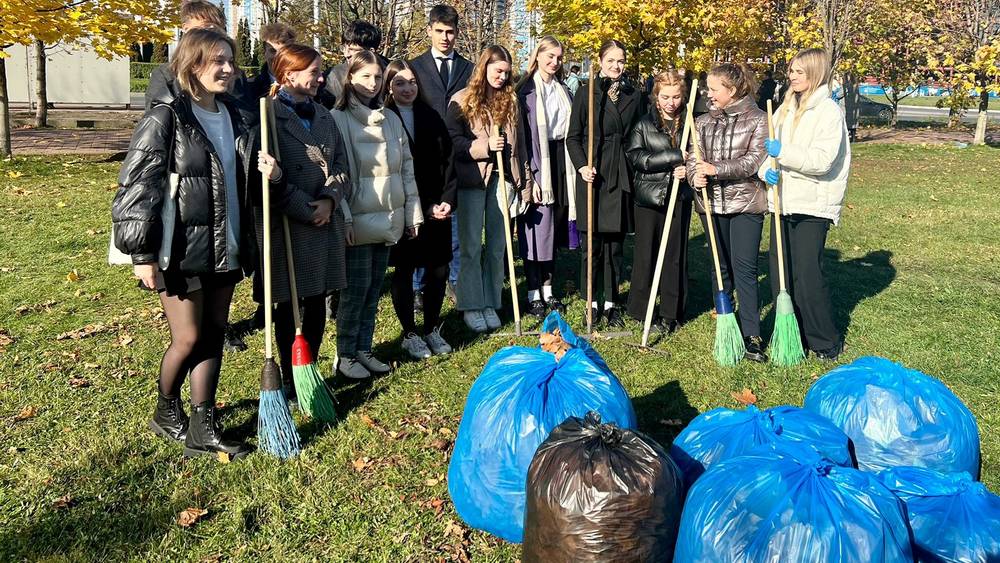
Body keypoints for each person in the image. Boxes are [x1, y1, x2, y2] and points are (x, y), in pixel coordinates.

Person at [113, 28, 253, 459]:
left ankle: (203, 423)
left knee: (213, 333)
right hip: (181, 248)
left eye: (230, 61)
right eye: (218, 61)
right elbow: (138, 187)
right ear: (192, 64)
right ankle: (165, 408)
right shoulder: (167, 116)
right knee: (188, 338)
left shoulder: (238, 117)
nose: (228, 69)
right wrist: (142, 253)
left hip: (225, 245)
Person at [252, 44, 350, 393]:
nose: (322, 78)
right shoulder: (268, 118)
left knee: (317, 302)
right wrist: (306, 207)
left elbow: (341, 166)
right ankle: (292, 377)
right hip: (289, 229)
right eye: (315, 72)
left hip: (324, 224)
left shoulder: (325, 115)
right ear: (289, 74)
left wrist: (329, 200)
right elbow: (270, 179)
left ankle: (310, 366)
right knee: (289, 305)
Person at [332, 51, 423, 379]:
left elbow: (406, 169)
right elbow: (334, 173)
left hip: (387, 217)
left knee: (372, 291)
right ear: (351, 78)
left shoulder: (391, 118)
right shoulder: (338, 119)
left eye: (377, 77)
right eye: (365, 76)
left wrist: (412, 212)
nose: (372, 83)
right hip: (357, 219)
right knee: (354, 292)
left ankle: (363, 349)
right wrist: (344, 216)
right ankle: (345, 354)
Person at [759, 48, 850, 361]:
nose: (792, 76)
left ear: (815, 73)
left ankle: (824, 340)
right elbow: (766, 153)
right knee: (780, 272)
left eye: (799, 71)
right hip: (782, 201)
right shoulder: (784, 108)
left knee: (807, 274)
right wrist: (765, 172)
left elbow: (822, 161)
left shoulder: (828, 112)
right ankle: (792, 334)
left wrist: (782, 152)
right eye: (791, 71)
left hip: (813, 204)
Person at [687, 62, 769, 363]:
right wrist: (695, 174)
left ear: (731, 90)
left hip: (746, 203)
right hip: (711, 205)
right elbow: (694, 157)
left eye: (713, 89)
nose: (708, 94)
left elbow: (752, 162)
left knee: (744, 268)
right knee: (719, 270)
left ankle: (752, 334)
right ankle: (727, 324)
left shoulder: (758, 119)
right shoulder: (703, 122)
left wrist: (716, 169)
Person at [445, 44, 526, 333]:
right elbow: (452, 142)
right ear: (484, 68)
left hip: (502, 181)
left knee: (496, 245)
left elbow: (521, 146)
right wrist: (483, 147)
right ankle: (470, 303)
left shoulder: (511, 102)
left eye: (506, 72)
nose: (502, 77)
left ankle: (491, 300)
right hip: (472, 181)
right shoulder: (462, 100)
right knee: (469, 247)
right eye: (497, 71)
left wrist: (523, 181)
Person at [566, 39, 644, 328]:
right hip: (593, 177)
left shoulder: (635, 96)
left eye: (620, 61)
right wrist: (582, 165)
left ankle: (611, 304)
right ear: (600, 61)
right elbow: (572, 137)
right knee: (592, 246)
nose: (616, 66)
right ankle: (592, 302)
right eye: (610, 60)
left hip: (619, 175)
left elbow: (639, 134)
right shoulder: (587, 94)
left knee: (614, 246)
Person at [383, 60, 456, 358]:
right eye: (400, 83)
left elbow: (448, 160)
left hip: (438, 205)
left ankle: (431, 328)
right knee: (405, 269)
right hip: (405, 207)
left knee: (439, 268)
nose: (408, 88)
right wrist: (420, 206)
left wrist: (447, 200)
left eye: (412, 82)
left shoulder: (431, 116)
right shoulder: (384, 119)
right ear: (389, 87)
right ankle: (410, 332)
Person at [409, 4, 474, 304]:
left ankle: (456, 282)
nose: (445, 37)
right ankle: (419, 284)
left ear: (457, 33)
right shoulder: (414, 67)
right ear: (429, 31)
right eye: (439, 31)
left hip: (459, 155)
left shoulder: (468, 68)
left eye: (450, 32)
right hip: (424, 155)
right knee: (424, 222)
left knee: (455, 226)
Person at [626, 70, 692, 334]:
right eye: (665, 96)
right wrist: (672, 157)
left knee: (674, 255)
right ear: (656, 96)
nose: (671, 102)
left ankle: (671, 311)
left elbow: (697, 155)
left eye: (676, 97)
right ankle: (642, 308)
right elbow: (637, 158)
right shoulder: (644, 125)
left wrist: (687, 170)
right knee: (646, 254)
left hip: (678, 197)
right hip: (649, 198)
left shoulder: (689, 124)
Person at [515, 36, 575, 317]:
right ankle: (532, 291)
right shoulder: (525, 92)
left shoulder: (564, 90)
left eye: (559, 57)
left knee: (553, 230)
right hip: (539, 166)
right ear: (537, 56)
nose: (554, 62)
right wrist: (532, 179)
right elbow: (522, 140)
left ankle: (549, 290)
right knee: (535, 229)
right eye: (549, 56)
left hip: (561, 163)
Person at [144, 0, 225, 110]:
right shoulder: (166, 75)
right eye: (206, 27)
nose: (212, 35)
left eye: (217, 29)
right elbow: (156, 120)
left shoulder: (233, 76)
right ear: (186, 28)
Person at [324, 20, 387, 104]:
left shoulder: (391, 74)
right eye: (344, 48)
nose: (346, 54)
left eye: (353, 50)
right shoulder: (332, 76)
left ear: (371, 51)